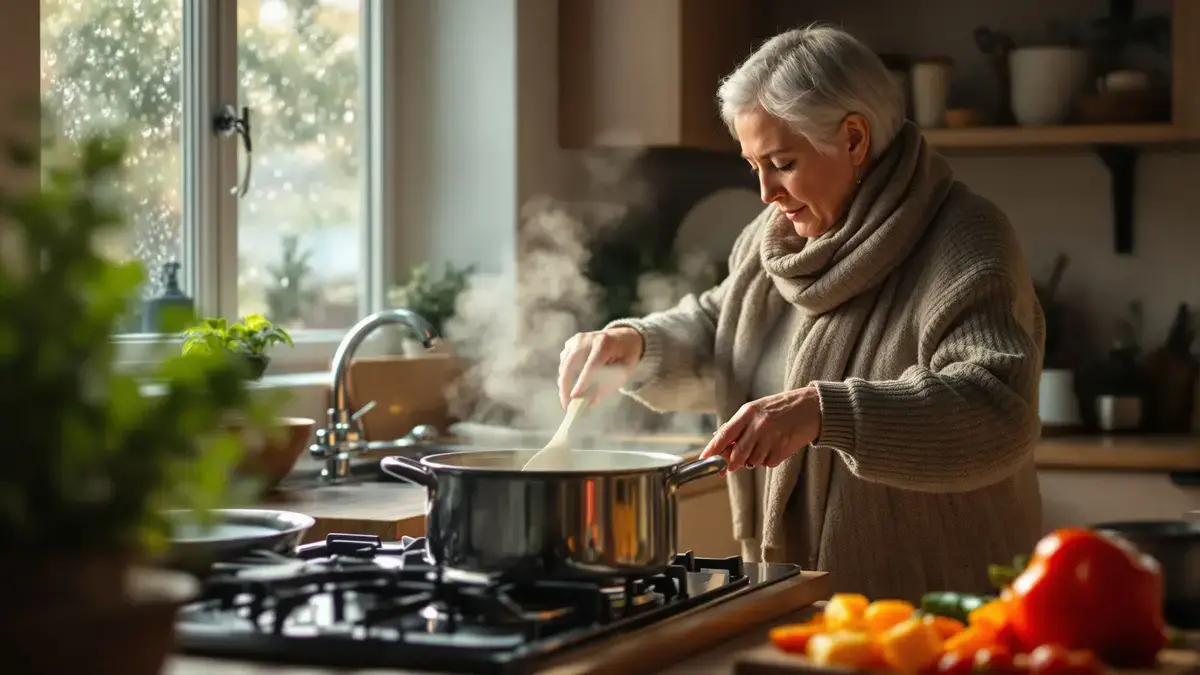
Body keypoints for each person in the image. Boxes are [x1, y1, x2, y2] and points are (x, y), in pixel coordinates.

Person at [556, 25, 1045, 602]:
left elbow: (996, 413)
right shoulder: (774, 238)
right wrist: (637, 345)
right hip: (794, 600)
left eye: (782, 163)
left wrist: (825, 410)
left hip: (936, 610)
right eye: (753, 165)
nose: (765, 192)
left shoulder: (964, 241)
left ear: (855, 140)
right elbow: (724, 326)